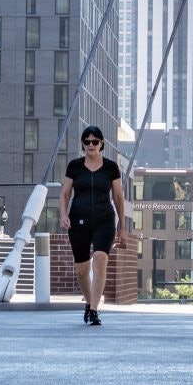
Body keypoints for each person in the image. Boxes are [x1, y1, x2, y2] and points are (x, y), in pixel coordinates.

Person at [61, 126, 126, 326]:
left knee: (100, 258)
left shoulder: (111, 167)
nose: (91, 145)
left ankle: (95, 310)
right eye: (87, 141)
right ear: (82, 144)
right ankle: (89, 304)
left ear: (102, 144)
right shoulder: (74, 166)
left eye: (95, 141)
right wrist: (63, 214)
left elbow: (118, 197)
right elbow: (64, 194)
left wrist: (122, 227)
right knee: (82, 269)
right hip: (78, 221)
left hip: (104, 220)